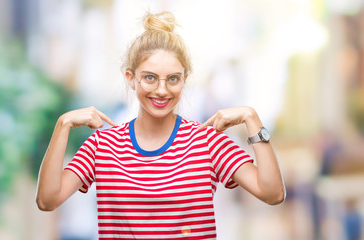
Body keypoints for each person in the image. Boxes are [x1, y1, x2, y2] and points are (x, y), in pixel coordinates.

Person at [36, 11, 285, 239]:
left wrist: (252, 118)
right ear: (131, 79)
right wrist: (63, 124)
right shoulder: (103, 145)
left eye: (173, 79)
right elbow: (47, 200)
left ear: (185, 79)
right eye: (150, 78)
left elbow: (273, 193)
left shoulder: (206, 141)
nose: (162, 90)